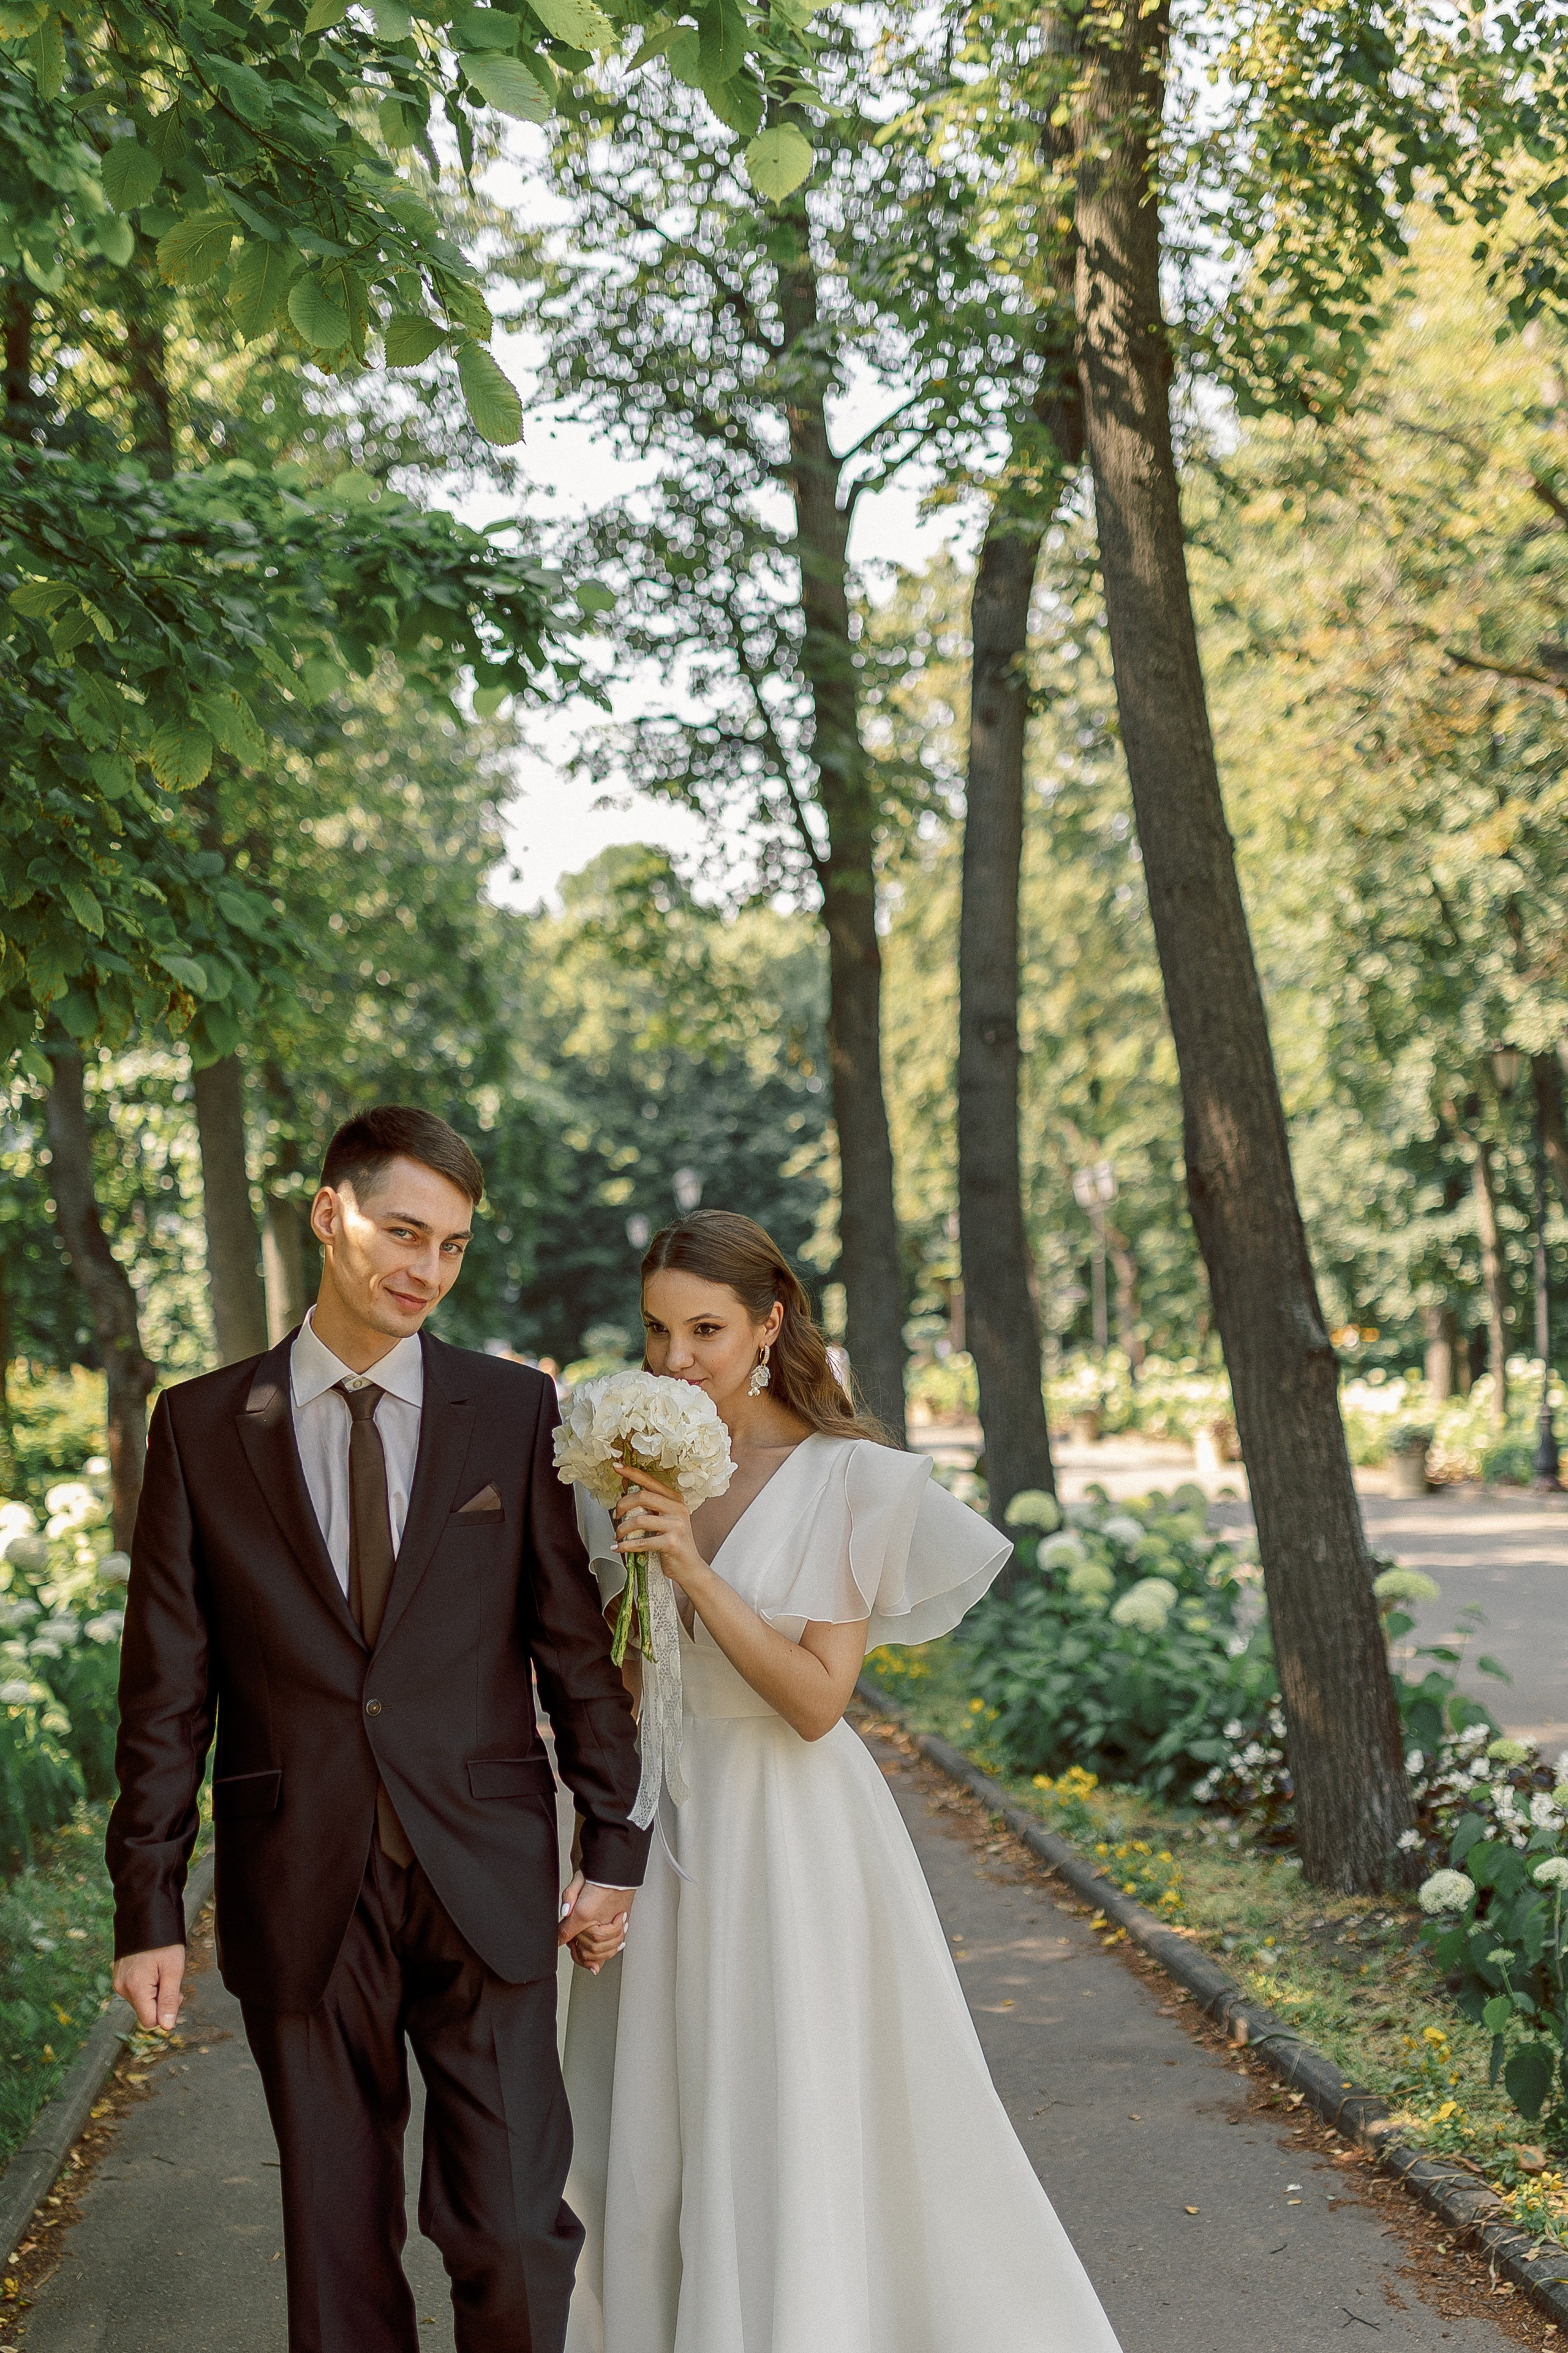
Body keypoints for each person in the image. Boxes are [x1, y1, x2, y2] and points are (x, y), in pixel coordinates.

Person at [107, 1103, 649, 2353]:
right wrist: (148, 1902)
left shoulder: (511, 1411)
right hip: (295, 1871)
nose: (426, 1270)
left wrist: (612, 1838)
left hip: (483, 1864)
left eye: (452, 1246)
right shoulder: (200, 1425)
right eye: (404, 1231)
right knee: (336, 2252)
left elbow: (570, 1644)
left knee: (514, 2232)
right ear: (327, 1213)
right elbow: (167, 1685)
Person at [560, 1209, 1123, 2353]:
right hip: (664, 1824)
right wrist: (593, 1838)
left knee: (788, 2103)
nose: (676, 1361)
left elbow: (820, 1699)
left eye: (706, 1329)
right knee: (658, 2117)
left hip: (793, 1832)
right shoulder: (630, 1471)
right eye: (659, 1331)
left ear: (770, 1322)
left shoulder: (853, 1478)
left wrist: (690, 1564)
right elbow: (625, 1688)